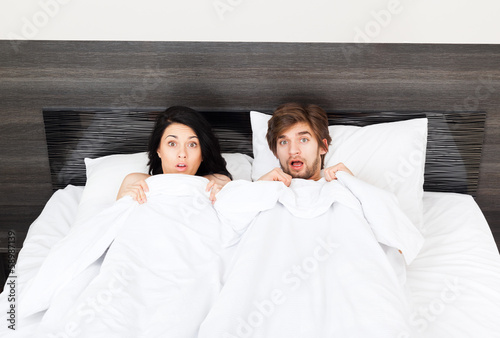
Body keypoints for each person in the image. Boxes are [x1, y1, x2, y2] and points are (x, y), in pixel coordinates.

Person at [117, 106, 232, 204]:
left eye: (192, 144)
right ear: (158, 149)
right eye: (172, 143)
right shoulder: (136, 182)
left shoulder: (218, 183)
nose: (182, 154)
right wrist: (125, 201)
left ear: (203, 153)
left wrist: (225, 199)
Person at [258, 102, 353, 184]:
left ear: (323, 146)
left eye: (303, 140)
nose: (293, 151)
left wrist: (352, 182)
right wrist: (257, 188)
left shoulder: (341, 187)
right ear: (275, 152)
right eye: (284, 142)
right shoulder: (261, 189)